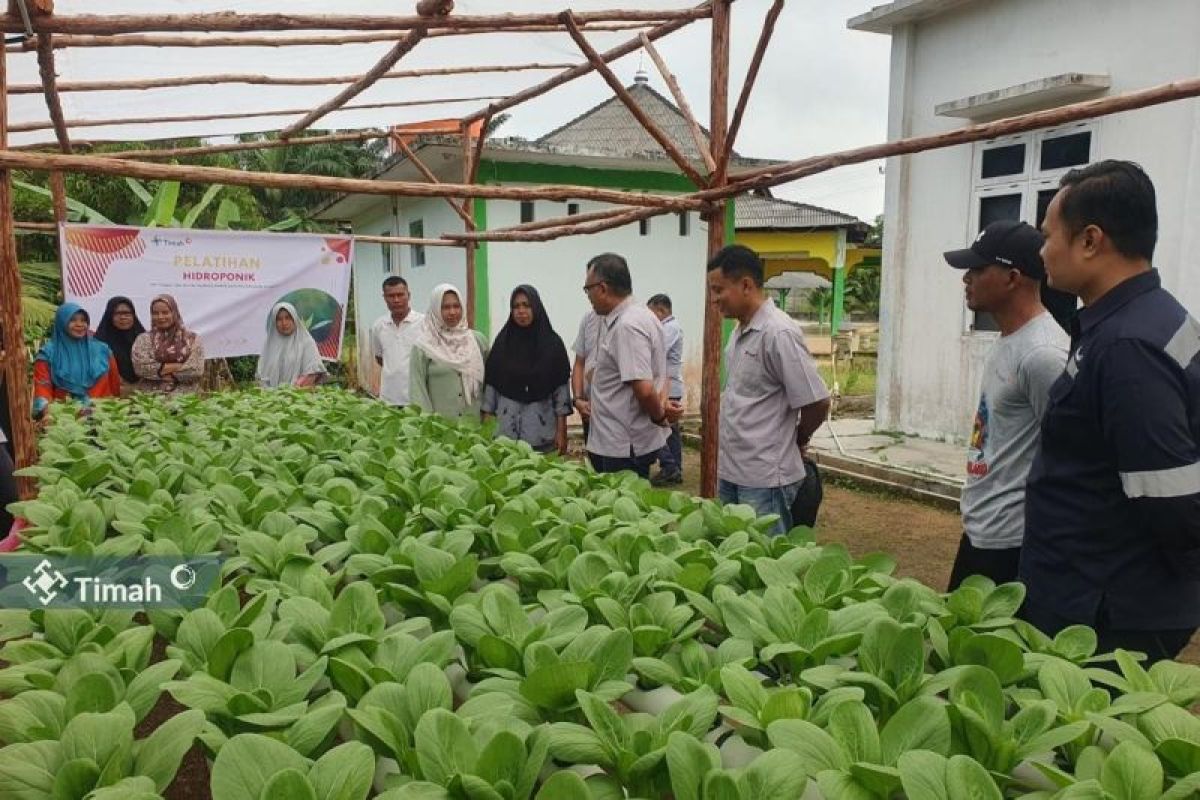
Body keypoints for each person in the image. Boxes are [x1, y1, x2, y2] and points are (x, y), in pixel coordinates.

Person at [1022, 160, 1200, 662]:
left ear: (1090, 241)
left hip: (1107, 610)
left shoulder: (1127, 346)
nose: (1042, 250)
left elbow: (1170, 500)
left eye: (1048, 235)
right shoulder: (1147, 317)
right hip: (1107, 592)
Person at [942, 220, 1069, 590]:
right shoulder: (1010, 339)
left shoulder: (1043, 354)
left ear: (1012, 278)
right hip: (983, 530)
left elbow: (1068, 454)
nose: (966, 278)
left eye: (978, 269)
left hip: (1012, 543)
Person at [707, 244, 831, 535]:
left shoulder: (779, 333)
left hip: (765, 479)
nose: (714, 300)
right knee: (734, 556)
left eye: (718, 290)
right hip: (733, 471)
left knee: (764, 565)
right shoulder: (739, 332)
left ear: (746, 285)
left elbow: (817, 402)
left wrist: (799, 436)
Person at [583, 253, 681, 478]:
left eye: (588, 289)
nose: (588, 296)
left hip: (623, 446)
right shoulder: (640, 316)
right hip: (619, 441)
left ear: (603, 288)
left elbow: (644, 390)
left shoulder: (628, 325)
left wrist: (660, 418)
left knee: (624, 508)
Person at [482, 285, 572, 454]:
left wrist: (562, 432)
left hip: (541, 435)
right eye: (516, 306)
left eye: (526, 305)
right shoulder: (502, 344)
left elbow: (561, 395)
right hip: (505, 438)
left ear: (536, 307)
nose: (521, 311)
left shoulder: (552, 345)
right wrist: (487, 430)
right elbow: (490, 392)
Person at [410, 284, 489, 421]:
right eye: (445, 307)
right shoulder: (423, 346)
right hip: (441, 430)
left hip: (475, 429)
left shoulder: (478, 341)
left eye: (456, 306)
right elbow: (418, 389)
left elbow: (490, 383)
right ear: (435, 309)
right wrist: (427, 424)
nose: (452, 312)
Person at [32, 302, 122, 418]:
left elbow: (114, 385)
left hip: (102, 417)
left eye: (83, 320)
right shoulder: (48, 353)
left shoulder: (103, 350)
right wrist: (47, 413)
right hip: (66, 420)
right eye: (73, 320)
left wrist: (115, 409)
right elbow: (43, 388)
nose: (79, 324)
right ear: (61, 322)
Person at [131, 294, 205, 394]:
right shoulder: (143, 339)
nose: (160, 317)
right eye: (155, 313)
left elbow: (196, 369)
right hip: (150, 401)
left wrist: (161, 371)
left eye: (165, 312)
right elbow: (141, 368)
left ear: (174, 313)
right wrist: (179, 366)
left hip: (187, 401)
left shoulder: (191, 339)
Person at [371, 276, 424, 407]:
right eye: (391, 296)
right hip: (388, 400)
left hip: (416, 400)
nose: (396, 300)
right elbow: (380, 358)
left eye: (400, 295)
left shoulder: (424, 323)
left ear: (409, 295)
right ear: (384, 298)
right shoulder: (378, 326)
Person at [647, 294, 684, 486]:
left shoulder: (670, 328)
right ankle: (674, 468)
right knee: (670, 430)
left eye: (651, 313)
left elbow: (655, 350)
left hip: (668, 387)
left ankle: (670, 466)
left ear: (661, 310)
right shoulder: (666, 327)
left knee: (658, 427)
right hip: (666, 385)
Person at [256, 302, 327, 389]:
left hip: (297, 398)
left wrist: (291, 393)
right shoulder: (269, 346)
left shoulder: (306, 342)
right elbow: (261, 376)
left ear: (295, 319)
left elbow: (311, 373)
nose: (284, 323)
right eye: (279, 319)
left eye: (288, 318)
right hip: (270, 399)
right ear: (274, 322)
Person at [94, 295, 145, 392]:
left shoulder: (144, 338)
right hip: (112, 393)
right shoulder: (99, 343)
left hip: (144, 393)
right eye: (117, 313)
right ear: (109, 316)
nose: (123, 317)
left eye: (127, 313)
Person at [571, 308, 601, 443]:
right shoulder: (588, 319)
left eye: (589, 289)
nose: (588, 294)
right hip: (589, 408)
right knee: (595, 459)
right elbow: (579, 363)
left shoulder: (629, 320)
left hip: (618, 413)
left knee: (620, 462)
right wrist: (578, 400)